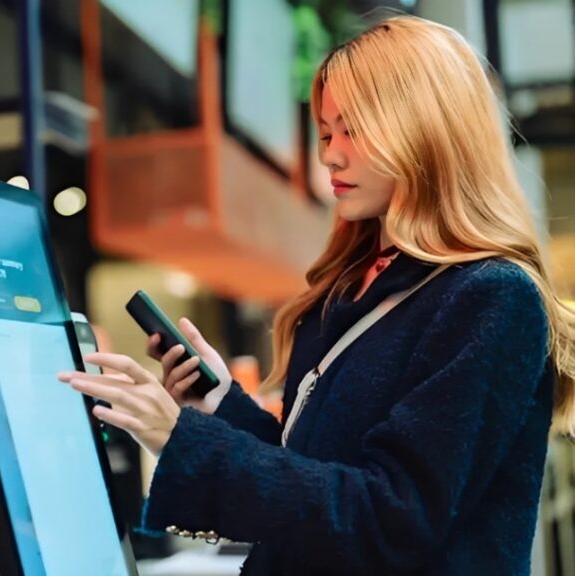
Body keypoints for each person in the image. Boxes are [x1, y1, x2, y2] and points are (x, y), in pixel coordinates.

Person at [58, 15, 575, 575]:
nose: (329, 154)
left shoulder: (492, 298)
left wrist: (184, 440)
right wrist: (219, 406)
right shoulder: (353, 287)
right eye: (327, 133)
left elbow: (391, 519)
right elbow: (315, 476)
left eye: (353, 129)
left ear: (427, 128)